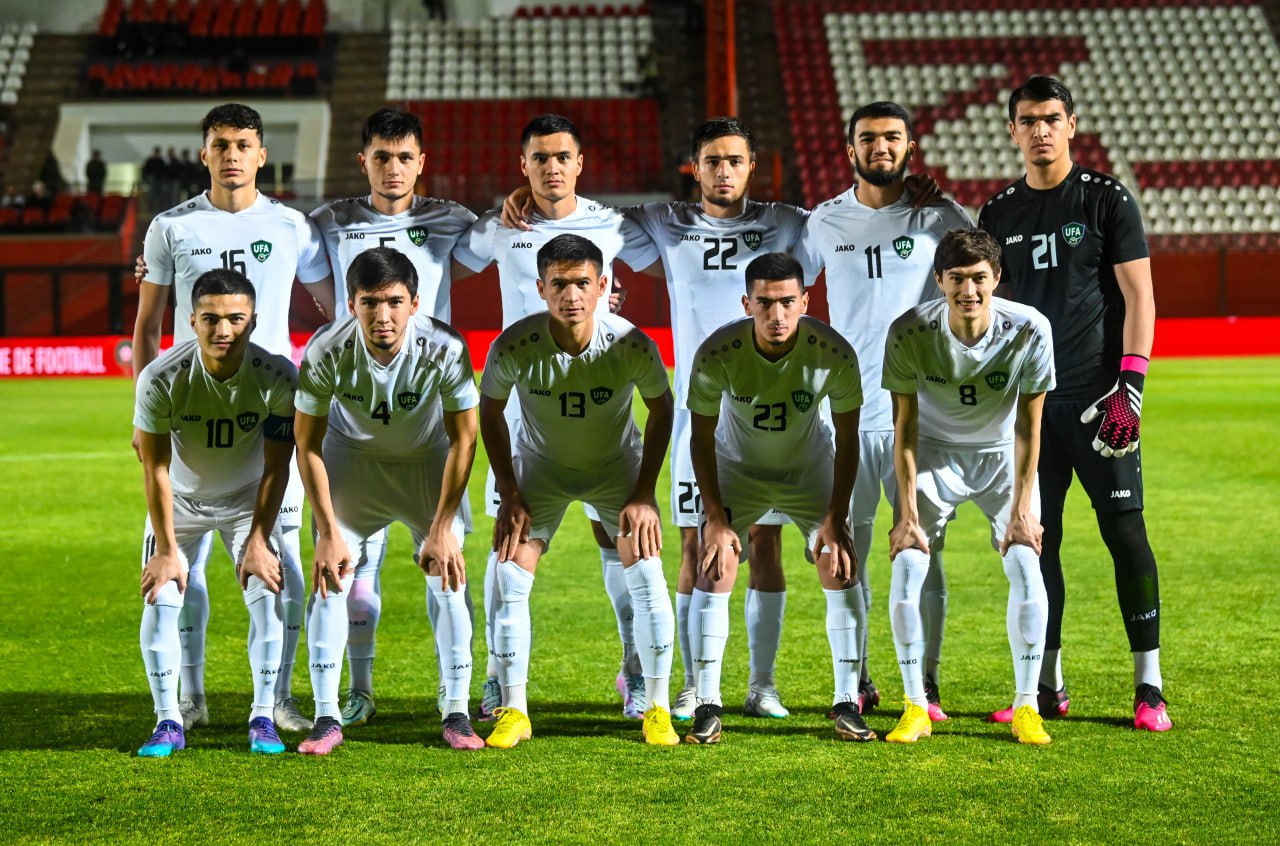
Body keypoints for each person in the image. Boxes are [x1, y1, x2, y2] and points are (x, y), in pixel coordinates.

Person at [505, 117, 811, 722]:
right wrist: (533, 198)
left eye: (735, 160)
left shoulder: (789, 223)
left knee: (766, 545)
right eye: (712, 161)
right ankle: (694, 686)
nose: (723, 171)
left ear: (752, 165)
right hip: (701, 410)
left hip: (770, 409)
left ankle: (763, 684)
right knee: (696, 546)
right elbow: (581, 218)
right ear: (694, 168)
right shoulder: (664, 222)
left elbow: (860, 214)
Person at [133, 102, 335, 736]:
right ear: (204, 153)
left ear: (262, 154)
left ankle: (278, 699)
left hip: (269, 413)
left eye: (243, 144)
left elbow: (332, 309)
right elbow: (148, 324)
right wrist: (141, 412)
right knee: (182, 571)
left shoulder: (292, 225)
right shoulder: (170, 226)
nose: (232, 155)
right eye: (220, 144)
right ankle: (189, 699)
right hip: (191, 414)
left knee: (281, 567)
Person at [978, 76, 1170, 731]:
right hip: (1030, 405)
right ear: (1012, 130)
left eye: (1052, 118)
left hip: (1099, 400)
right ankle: (1046, 685)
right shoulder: (998, 213)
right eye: (1029, 120)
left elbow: (1140, 296)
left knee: (1125, 532)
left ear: (1072, 124)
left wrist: (1131, 388)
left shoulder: (1106, 199)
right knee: (1039, 541)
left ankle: (1149, 688)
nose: (1041, 130)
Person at [454, 114, 661, 721]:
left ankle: (634, 667)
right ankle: (497, 678)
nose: (552, 168)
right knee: (508, 544)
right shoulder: (497, 226)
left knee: (615, 540)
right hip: (523, 416)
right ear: (523, 165)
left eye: (562, 156)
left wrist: (614, 304)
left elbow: (672, 254)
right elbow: (441, 253)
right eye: (539, 158)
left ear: (580, 163)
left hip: (597, 403)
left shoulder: (611, 225)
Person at [797, 101, 972, 722]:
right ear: (851, 150)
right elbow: (789, 293)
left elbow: (981, 276)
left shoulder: (940, 218)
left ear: (910, 147)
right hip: (845, 414)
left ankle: (927, 682)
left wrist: (943, 198)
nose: (880, 147)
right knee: (845, 550)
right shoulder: (823, 221)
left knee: (924, 551)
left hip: (922, 417)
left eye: (892, 137)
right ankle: (857, 680)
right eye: (868, 138)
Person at [310, 107, 480, 727]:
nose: (393, 168)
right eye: (381, 156)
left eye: (405, 157)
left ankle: (457, 703)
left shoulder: (453, 220)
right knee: (353, 579)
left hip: (425, 420)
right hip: (355, 421)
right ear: (363, 161)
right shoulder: (327, 222)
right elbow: (273, 262)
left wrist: (603, 289)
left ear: (421, 162)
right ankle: (352, 694)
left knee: (447, 566)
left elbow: (525, 243)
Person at [479, 234, 678, 748]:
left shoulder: (631, 344)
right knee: (509, 575)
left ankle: (657, 708)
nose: (572, 295)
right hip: (541, 469)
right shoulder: (514, 345)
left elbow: (662, 409)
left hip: (615, 470)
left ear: (602, 285)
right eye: (560, 284)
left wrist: (644, 492)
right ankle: (514, 710)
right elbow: (490, 412)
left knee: (648, 574)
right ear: (541, 288)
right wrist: (509, 491)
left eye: (583, 283)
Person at [293, 246, 483, 754]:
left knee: (448, 575)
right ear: (351, 304)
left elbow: (465, 438)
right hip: (353, 463)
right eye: (370, 302)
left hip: (426, 463)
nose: (383, 315)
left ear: (415, 303)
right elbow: (306, 444)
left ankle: (457, 712)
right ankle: (326, 716)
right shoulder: (326, 349)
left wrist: (442, 527)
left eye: (395, 302)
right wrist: (327, 531)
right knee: (332, 578)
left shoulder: (445, 347)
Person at [684, 252, 869, 745]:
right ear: (747, 304)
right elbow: (700, 438)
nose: (777, 314)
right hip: (738, 470)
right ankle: (707, 704)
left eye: (788, 301)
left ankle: (847, 703)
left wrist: (836, 516)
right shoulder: (717, 353)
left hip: (808, 470)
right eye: (765, 303)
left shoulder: (833, 353)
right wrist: (715, 518)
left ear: (806, 301)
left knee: (838, 562)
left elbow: (848, 438)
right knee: (716, 564)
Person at [881, 228, 1055, 746]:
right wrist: (907, 515)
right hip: (933, 452)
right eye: (956, 278)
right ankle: (915, 705)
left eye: (979, 278)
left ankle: (1027, 706)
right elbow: (905, 428)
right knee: (909, 562)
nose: (968, 290)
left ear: (996, 278)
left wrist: (1021, 510)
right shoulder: (909, 330)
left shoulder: (1030, 328)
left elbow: (1029, 426)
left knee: (1024, 559)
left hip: (1001, 456)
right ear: (939, 280)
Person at [133, 269, 297, 757]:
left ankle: (262, 717)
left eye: (235, 319)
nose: (223, 329)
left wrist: (260, 540)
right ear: (192, 321)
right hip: (179, 502)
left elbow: (277, 466)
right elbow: (155, 467)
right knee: (160, 596)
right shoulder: (160, 377)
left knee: (267, 592)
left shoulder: (277, 376)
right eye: (210, 319)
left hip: (247, 501)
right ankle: (168, 720)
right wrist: (166, 549)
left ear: (253, 321)